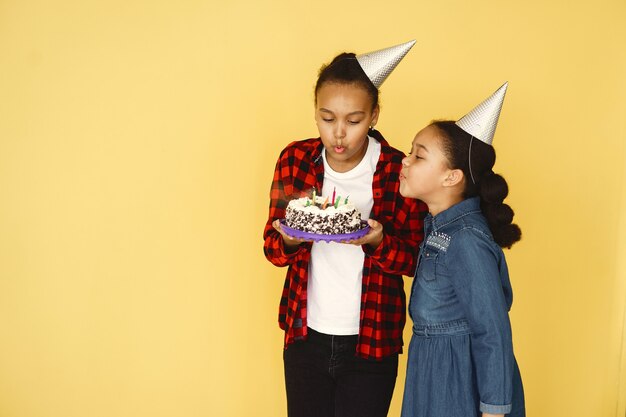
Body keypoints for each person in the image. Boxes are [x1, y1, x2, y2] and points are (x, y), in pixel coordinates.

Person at [262, 41, 428, 417]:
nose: (339, 134)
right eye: (327, 118)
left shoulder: (397, 169)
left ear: (373, 115)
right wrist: (289, 239)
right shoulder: (295, 160)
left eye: (353, 120)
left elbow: (416, 259)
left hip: (371, 341)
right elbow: (272, 250)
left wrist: (379, 241)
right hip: (304, 336)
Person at [398, 83, 525, 417]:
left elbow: (492, 329)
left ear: (451, 177)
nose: (405, 160)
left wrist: (495, 409)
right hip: (433, 370)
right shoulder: (439, 228)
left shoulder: (466, 239)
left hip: (455, 380)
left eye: (418, 155)